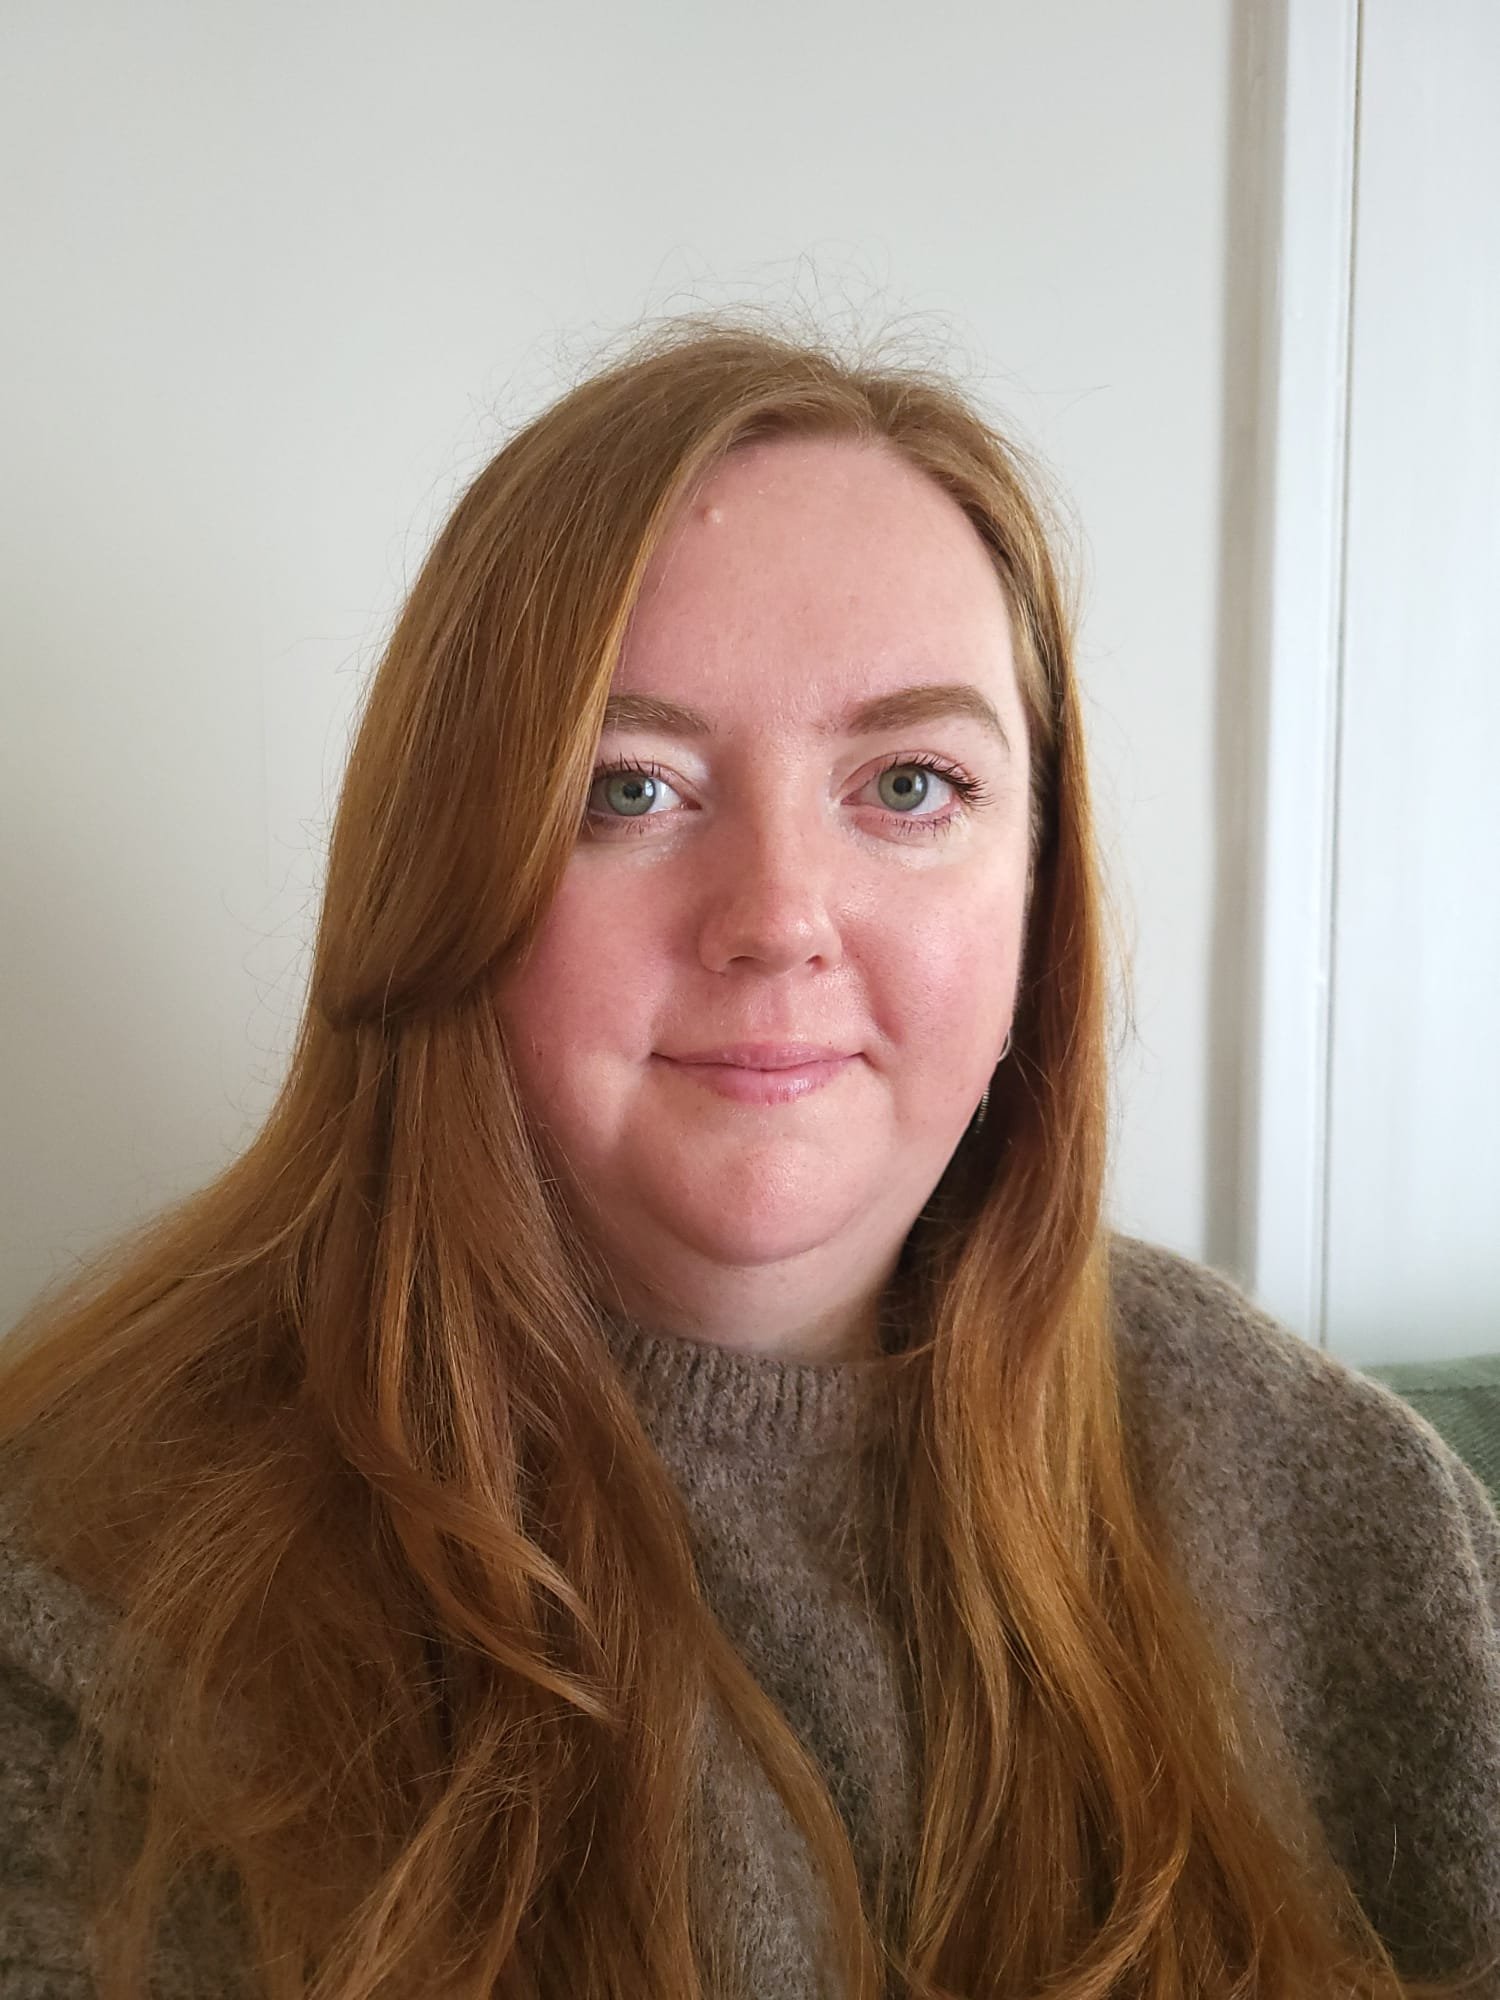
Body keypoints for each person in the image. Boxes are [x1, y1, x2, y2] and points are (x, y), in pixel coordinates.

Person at [1, 313, 1497, 2000]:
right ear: (449, 870)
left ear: (1041, 894)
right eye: (628, 790)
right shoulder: (93, 1604)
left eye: (914, 783)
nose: (777, 919)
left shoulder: (1354, 1519)